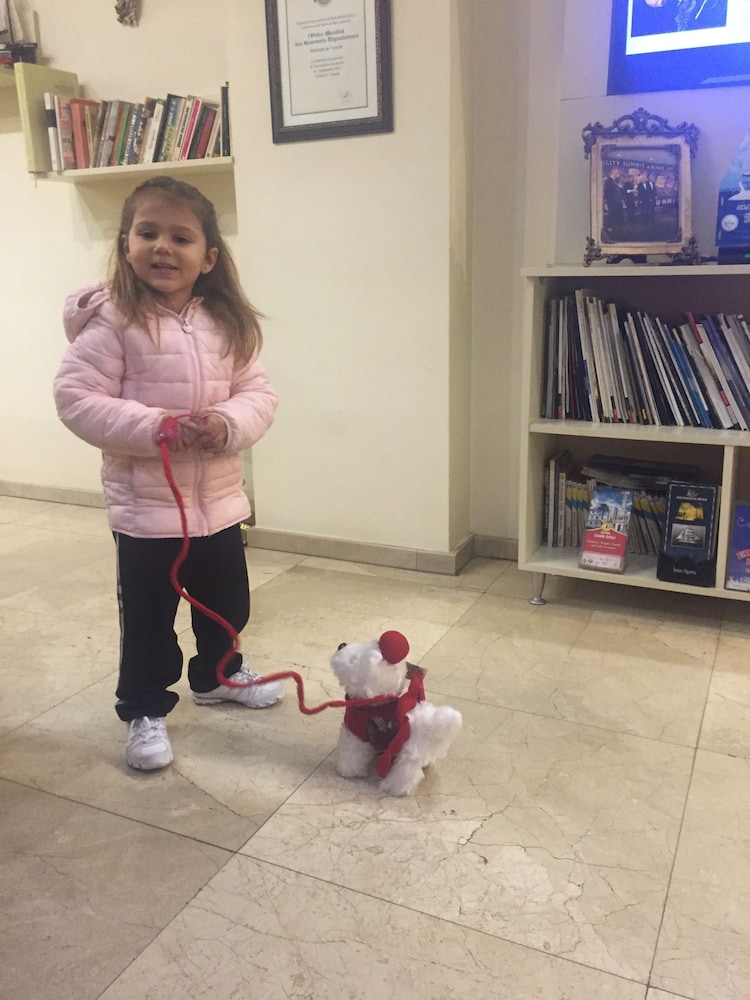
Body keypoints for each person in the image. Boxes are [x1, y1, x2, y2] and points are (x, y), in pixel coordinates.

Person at [54, 176, 284, 771]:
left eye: (181, 237)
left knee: (226, 606)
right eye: (148, 232)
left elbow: (258, 394)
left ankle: (218, 676)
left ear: (208, 258)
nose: (162, 246)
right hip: (146, 512)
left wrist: (227, 423)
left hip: (221, 506)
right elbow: (76, 398)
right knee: (149, 620)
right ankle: (145, 707)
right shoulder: (112, 321)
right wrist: (154, 425)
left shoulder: (226, 323)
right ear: (125, 244)